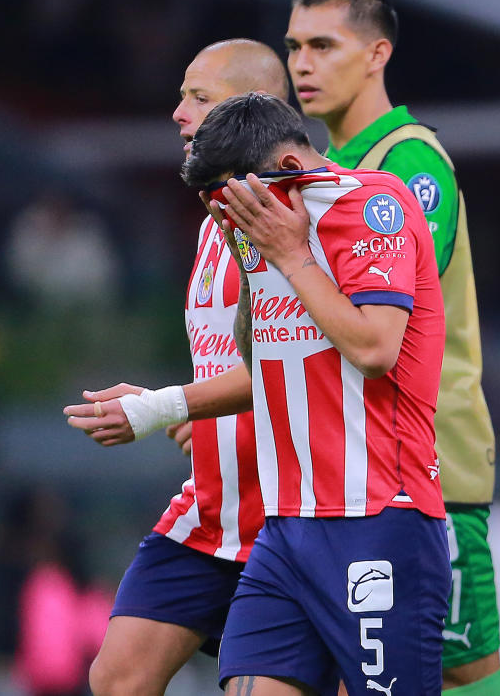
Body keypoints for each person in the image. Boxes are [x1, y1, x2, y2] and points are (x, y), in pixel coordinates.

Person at [284, 0, 500, 695]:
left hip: (429, 467)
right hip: (352, 470)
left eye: (324, 46)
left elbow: (382, 321)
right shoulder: (334, 169)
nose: (302, 65)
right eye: (293, 47)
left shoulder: (408, 164)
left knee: (466, 673)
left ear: (378, 53)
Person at [182, 92, 450, 696]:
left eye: (232, 195)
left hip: (379, 517)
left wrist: (292, 255)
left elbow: (376, 351)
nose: (227, 212)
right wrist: (246, 256)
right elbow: (259, 361)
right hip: (284, 528)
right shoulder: (263, 228)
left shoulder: (373, 205)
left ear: (281, 168)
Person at [63, 39, 287, 696]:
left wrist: (171, 404)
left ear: (255, 110)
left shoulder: (294, 221)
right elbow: (238, 364)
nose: (178, 113)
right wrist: (199, 408)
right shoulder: (210, 221)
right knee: (118, 677)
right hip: (214, 506)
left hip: (287, 512)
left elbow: (300, 367)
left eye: (200, 97)